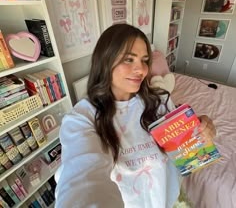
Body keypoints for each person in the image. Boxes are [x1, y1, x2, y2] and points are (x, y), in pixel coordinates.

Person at [55, 23, 216, 208]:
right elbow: (82, 179)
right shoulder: (82, 118)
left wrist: (203, 132)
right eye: (129, 60)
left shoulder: (160, 100)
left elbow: (191, 156)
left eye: (145, 60)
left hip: (174, 200)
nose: (141, 70)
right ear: (105, 61)